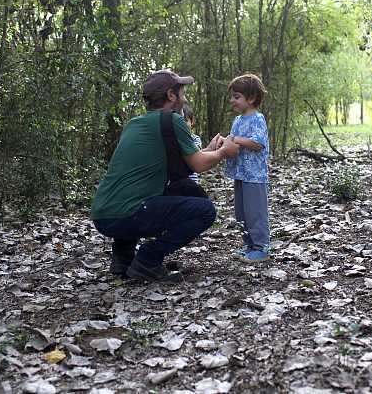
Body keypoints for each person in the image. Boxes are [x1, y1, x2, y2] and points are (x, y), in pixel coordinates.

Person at [91, 70, 240, 283]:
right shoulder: (173, 120)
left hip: (102, 214)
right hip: (127, 215)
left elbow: (185, 161)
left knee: (134, 194)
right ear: (171, 96)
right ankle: (148, 259)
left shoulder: (133, 124)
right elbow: (197, 165)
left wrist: (208, 149)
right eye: (183, 93)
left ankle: (123, 259)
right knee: (205, 211)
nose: (185, 98)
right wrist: (224, 152)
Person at [223, 73, 270, 263]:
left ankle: (262, 248)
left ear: (251, 99)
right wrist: (224, 143)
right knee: (241, 211)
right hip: (240, 173)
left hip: (255, 175)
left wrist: (234, 140)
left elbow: (258, 143)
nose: (233, 101)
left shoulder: (258, 119)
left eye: (237, 97)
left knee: (255, 211)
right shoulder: (237, 121)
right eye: (232, 97)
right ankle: (249, 245)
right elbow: (232, 143)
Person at [181, 105, 202, 183]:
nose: (182, 125)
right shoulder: (172, 139)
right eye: (180, 121)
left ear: (192, 121)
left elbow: (196, 152)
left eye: (185, 121)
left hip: (191, 181)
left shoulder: (195, 139)